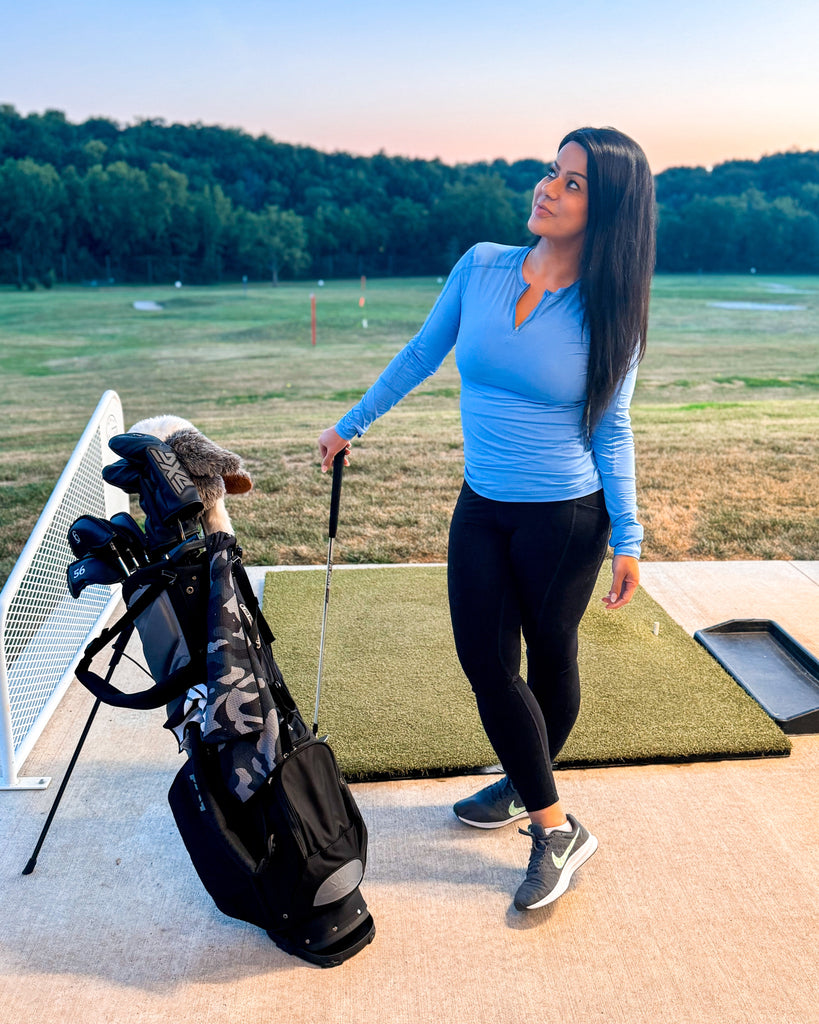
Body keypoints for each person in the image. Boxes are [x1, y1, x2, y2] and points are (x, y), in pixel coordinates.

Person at [319, 126, 656, 912]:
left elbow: (612, 428)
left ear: (605, 210)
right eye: (551, 172)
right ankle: (540, 798)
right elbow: (420, 352)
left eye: (573, 184)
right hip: (482, 504)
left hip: (566, 518)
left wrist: (629, 537)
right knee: (484, 662)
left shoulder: (611, 310)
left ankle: (547, 820)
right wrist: (351, 424)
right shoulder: (481, 266)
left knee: (549, 657)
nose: (547, 188)